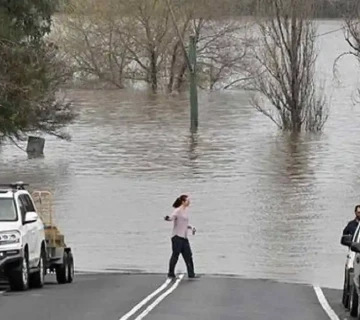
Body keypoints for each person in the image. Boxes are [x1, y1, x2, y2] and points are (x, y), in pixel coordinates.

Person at [164, 194, 199, 279]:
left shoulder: (185, 211)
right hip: (177, 237)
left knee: (188, 255)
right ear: (183, 202)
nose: (189, 202)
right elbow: (172, 218)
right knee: (175, 255)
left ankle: (191, 274)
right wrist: (168, 218)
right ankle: (171, 273)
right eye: (187, 200)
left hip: (184, 237)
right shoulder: (177, 211)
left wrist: (191, 227)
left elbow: (184, 224)